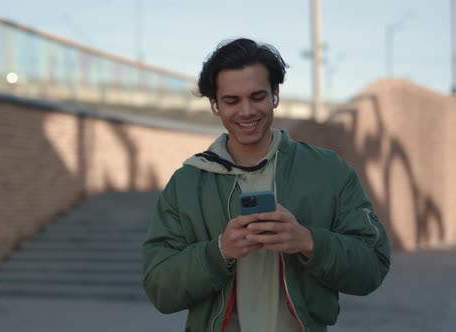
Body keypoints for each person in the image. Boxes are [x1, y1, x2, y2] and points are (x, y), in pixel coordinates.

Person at [142, 38, 391, 332]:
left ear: (275, 94)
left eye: (257, 96)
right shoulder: (187, 183)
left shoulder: (327, 171)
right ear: (215, 105)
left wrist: (308, 241)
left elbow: (373, 265)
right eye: (231, 101)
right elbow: (159, 286)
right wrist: (220, 251)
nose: (246, 111)